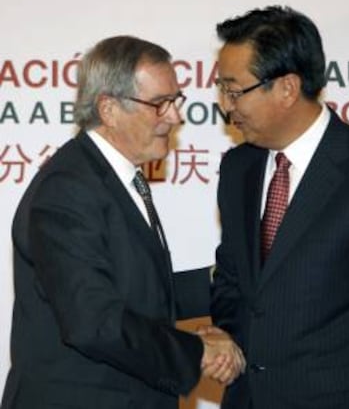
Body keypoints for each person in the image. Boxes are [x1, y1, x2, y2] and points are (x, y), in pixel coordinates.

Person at [1, 35, 244, 409]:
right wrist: (196, 351)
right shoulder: (68, 189)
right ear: (109, 108)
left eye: (176, 101)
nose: (176, 117)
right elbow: (93, 321)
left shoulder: (112, 176)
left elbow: (128, 291)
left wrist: (217, 281)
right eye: (160, 104)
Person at [209, 6, 349, 409]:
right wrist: (228, 340)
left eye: (235, 91)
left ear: (286, 88)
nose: (227, 107)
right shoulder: (239, 167)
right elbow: (232, 282)